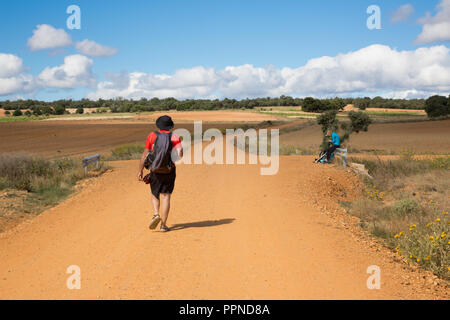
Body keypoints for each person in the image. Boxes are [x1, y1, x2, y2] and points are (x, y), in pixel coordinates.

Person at [138, 115, 183, 232]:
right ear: (170, 126)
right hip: (169, 170)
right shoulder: (174, 136)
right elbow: (180, 153)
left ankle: (156, 214)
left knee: (154, 194)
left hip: (154, 170)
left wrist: (140, 170)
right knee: (166, 196)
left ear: (159, 125)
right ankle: (163, 225)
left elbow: (145, 155)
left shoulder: (152, 135)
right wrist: (173, 159)